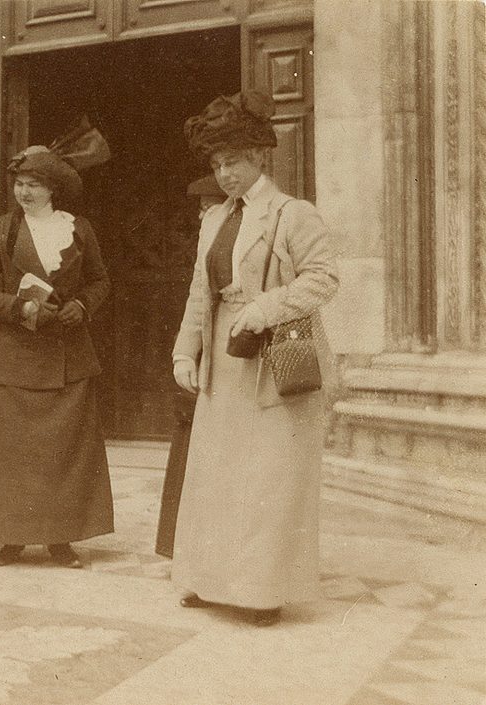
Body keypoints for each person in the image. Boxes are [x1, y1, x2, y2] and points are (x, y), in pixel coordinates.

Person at [171, 91, 338, 625]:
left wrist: (265, 308)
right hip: (224, 355)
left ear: (260, 158)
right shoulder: (214, 219)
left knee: (268, 478)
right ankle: (209, 579)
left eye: (235, 163)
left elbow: (324, 279)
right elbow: (200, 291)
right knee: (217, 472)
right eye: (218, 164)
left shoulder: (293, 214)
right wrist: (185, 351)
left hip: (274, 356)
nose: (225, 174)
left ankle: (260, 591)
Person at [0, 145, 113, 569]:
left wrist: (82, 305)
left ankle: (61, 539)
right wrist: (21, 307)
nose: (24, 192)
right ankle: (11, 538)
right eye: (19, 184)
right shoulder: (1, 229)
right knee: (12, 453)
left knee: (65, 452)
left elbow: (100, 281)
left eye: (33, 185)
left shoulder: (78, 229)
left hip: (68, 356)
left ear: (53, 189)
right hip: (15, 356)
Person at [154, 174, 226, 559]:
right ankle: (180, 544)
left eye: (207, 207)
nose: (202, 216)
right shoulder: (206, 239)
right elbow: (196, 298)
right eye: (200, 209)